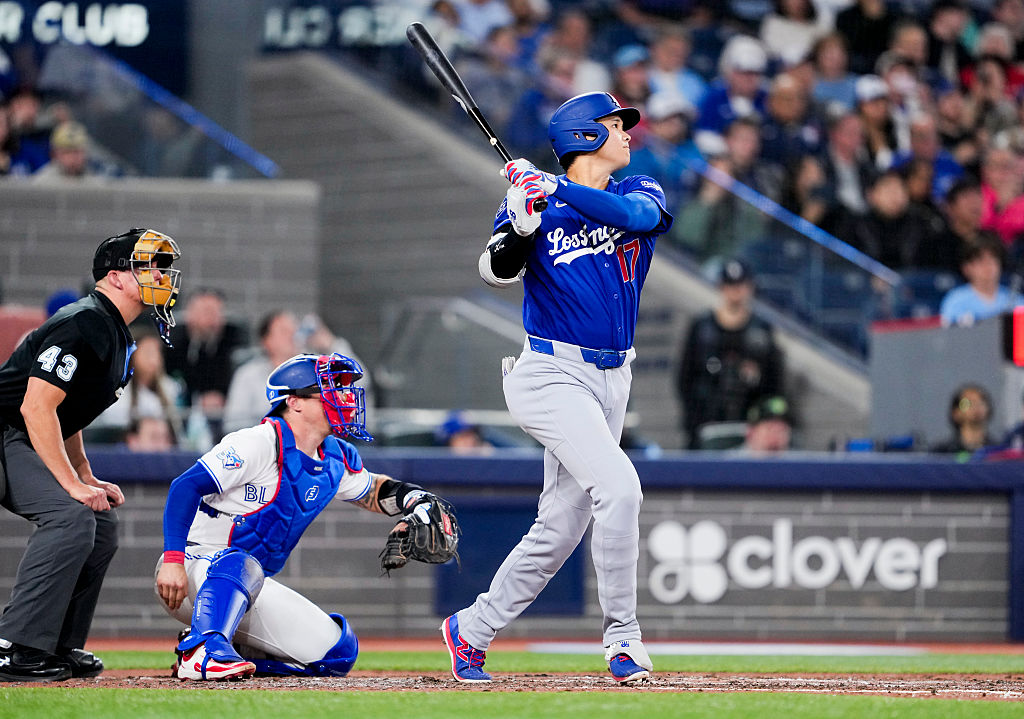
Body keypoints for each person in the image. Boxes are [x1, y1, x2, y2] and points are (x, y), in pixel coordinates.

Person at [450, 91, 674, 685]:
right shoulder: (533, 202)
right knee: (621, 490)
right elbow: (496, 270)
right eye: (614, 124)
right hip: (550, 373)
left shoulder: (636, 190)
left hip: (612, 376)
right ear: (584, 135)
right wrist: (522, 223)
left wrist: (556, 189)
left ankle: (472, 629)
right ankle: (623, 640)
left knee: (560, 529)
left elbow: (639, 222)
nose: (627, 132)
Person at [155, 353, 454, 680]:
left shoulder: (333, 457)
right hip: (192, 570)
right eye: (330, 387)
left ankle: (233, 650)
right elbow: (184, 487)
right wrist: (172, 559)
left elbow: (372, 490)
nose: (344, 396)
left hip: (248, 586)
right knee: (242, 563)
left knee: (337, 653)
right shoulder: (259, 442)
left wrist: (414, 499)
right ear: (294, 402)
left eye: (343, 387)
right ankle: (203, 650)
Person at [0, 228, 182, 682]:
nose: (161, 274)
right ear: (117, 276)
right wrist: (71, 485)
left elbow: (69, 411)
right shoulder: (83, 321)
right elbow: (36, 405)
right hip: (8, 429)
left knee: (98, 523)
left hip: (22, 433)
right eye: (149, 265)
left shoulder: (114, 329)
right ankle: (15, 646)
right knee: (71, 514)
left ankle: (55, 645)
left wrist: (85, 473)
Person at [677, 259, 784, 450]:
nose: (735, 292)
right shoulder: (702, 328)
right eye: (730, 286)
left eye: (740, 286)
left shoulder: (761, 331)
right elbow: (685, 378)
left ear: (749, 287)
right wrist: (693, 422)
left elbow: (774, 382)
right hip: (705, 423)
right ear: (721, 287)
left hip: (750, 428)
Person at [223, 311, 298, 433]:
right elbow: (232, 424)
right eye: (284, 331)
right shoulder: (247, 375)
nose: (292, 336)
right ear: (266, 341)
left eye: (294, 330)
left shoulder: (311, 372)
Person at [939, 232, 1023, 326]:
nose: (988, 266)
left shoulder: (1016, 300)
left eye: (993, 260)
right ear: (966, 268)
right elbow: (950, 335)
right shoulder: (955, 301)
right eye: (981, 261)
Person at [929, 383, 998, 459]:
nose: (976, 407)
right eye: (967, 403)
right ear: (955, 413)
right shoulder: (940, 453)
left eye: (981, 402)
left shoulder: (999, 452)